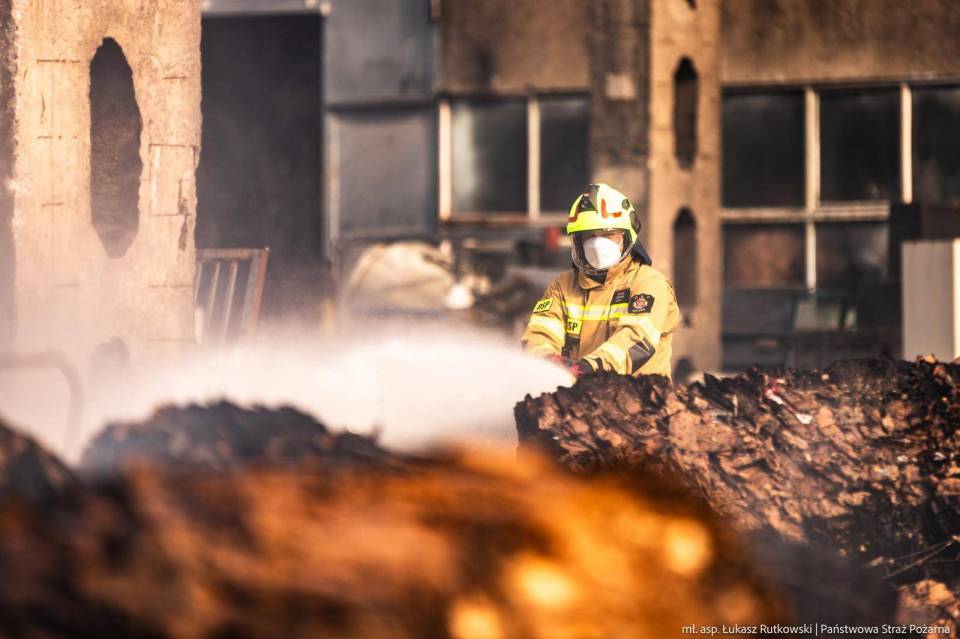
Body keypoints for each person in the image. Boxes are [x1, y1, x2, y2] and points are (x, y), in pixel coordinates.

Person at [521, 183, 681, 379]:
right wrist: (547, 361)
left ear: (628, 237)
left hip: (640, 396)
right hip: (577, 395)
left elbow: (637, 340)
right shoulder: (562, 286)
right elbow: (539, 333)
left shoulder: (650, 284)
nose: (597, 245)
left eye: (609, 235)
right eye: (589, 236)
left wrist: (591, 367)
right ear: (577, 242)